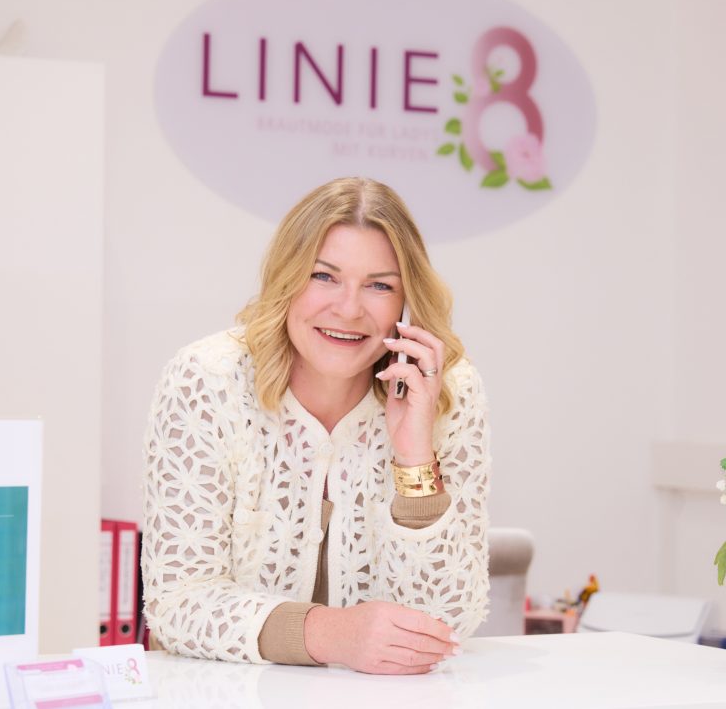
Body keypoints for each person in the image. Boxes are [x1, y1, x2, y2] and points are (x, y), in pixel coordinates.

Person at [140, 177, 492, 675]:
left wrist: (414, 456)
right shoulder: (208, 380)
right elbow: (178, 603)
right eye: (323, 276)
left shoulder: (445, 389)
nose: (348, 309)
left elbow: (447, 620)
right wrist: (332, 634)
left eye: (380, 285)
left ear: (406, 300)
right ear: (287, 278)